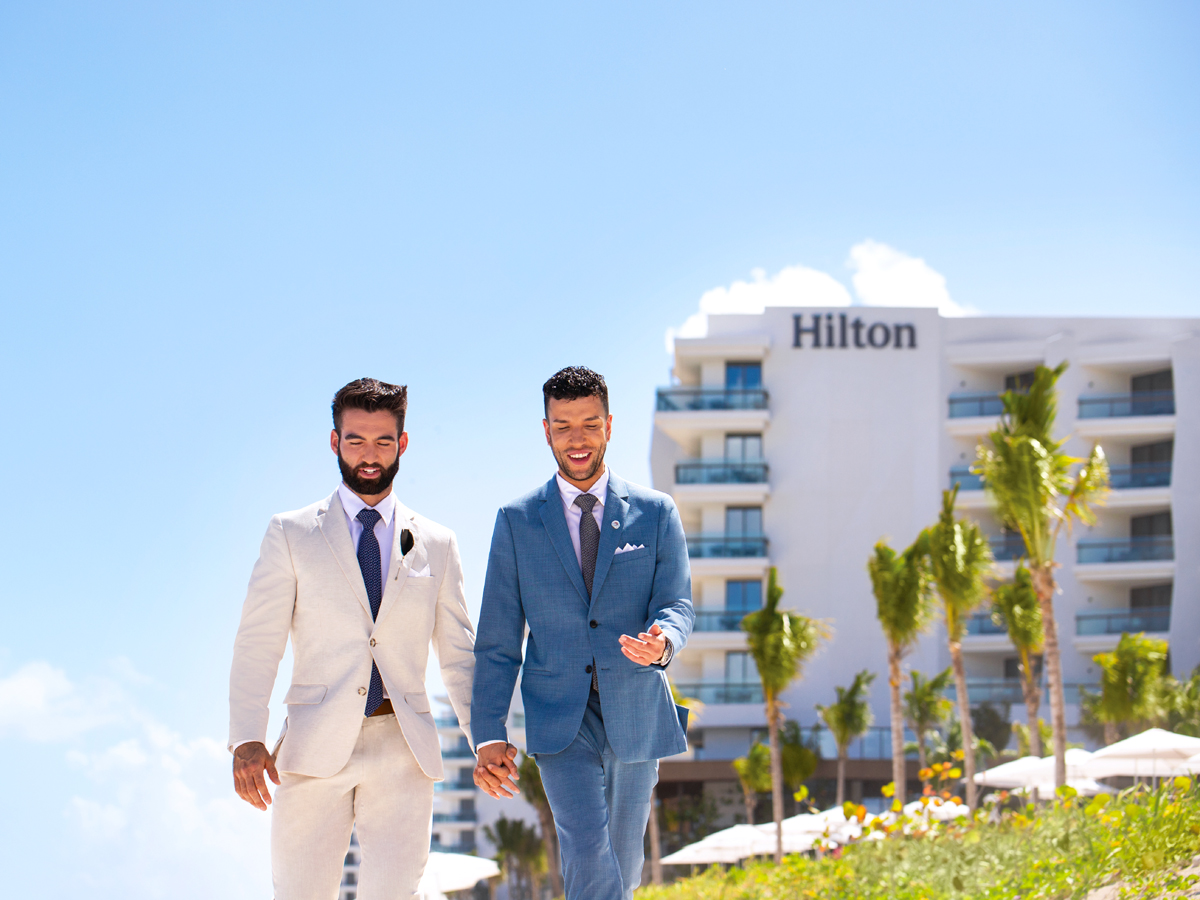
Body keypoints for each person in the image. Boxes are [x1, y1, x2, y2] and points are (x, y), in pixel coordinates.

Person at [228, 378, 478, 900]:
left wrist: (487, 740)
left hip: (403, 747)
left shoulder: (438, 542)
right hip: (313, 745)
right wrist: (248, 737)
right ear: (335, 441)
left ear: (402, 444)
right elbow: (258, 641)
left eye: (383, 441)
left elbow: (459, 655)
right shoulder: (291, 533)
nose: (370, 455)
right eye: (356, 440)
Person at [471, 366, 695, 900]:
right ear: (546, 430)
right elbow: (498, 641)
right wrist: (488, 733)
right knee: (587, 851)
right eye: (564, 425)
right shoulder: (516, 520)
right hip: (557, 716)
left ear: (609, 426)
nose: (578, 439)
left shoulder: (656, 512)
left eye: (589, 424)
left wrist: (663, 640)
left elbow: (677, 603)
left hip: (637, 705)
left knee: (623, 859)